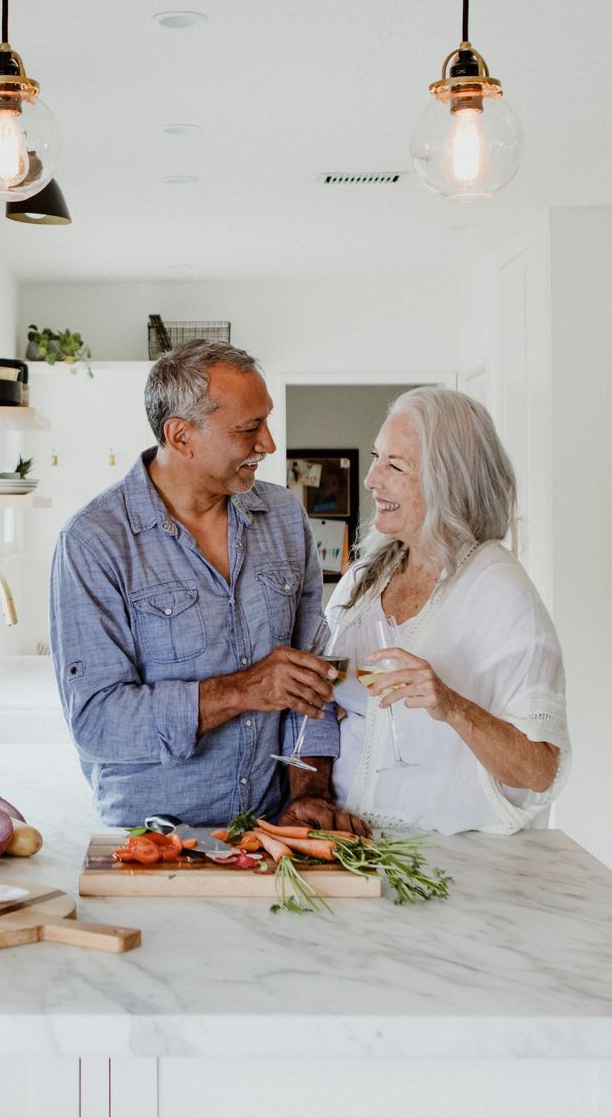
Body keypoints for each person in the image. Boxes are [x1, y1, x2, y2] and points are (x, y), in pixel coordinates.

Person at [49, 341, 367, 832]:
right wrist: (244, 690)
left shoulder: (283, 518)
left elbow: (313, 681)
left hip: (270, 829)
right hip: (153, 839)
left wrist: (310, 792)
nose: (269, 444)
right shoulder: (94, 542)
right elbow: (99, 723)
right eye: (248, 429)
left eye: (266, 421)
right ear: (180, 436)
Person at [325, 387, 569, 835]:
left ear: (448, 481)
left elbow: (539, 771)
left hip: (447, 862)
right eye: (377, 456)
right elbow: (337, 706)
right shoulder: (362, 579)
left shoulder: (500, 591)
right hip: (348, 844)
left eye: (395, 466)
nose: (371, 478)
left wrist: (451, 705)